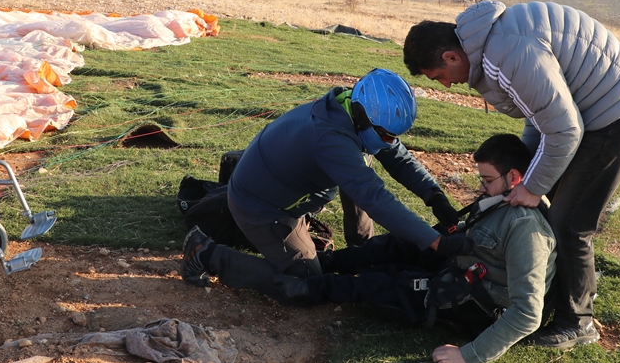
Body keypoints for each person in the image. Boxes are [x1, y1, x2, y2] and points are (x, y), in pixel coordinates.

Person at [403, 0, 620, 351]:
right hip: (594, 115)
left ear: (451, 56)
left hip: (616, 117)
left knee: (569, 220)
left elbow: (564, 128)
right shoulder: (492, 45)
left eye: (438, 77)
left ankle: (577, 322)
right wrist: (522, 170)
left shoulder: (504, 54)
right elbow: (540, 115)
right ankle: (554, 292)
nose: (445, 85)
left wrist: (532, 187)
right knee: (556, 203)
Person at [180, 68, 460, 301]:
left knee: (362, 164)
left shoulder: (350, 109)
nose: (390, 142)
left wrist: (434, 195)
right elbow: (376, 199)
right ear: (364, 117)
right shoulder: (331, 139)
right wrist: (434, 241)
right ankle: (206, 254)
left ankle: (362, 249)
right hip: (261, 208)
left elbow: (398, 158)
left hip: (278, 190)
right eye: (386, 135)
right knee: (306, 282)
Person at [294, 133, 556, 363]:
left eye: (486, 180)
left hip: (475, 299)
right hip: (463, 264)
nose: (481, 188)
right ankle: (322, 263)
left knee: (390, 283)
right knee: (400, 243)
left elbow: (527, 312)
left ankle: (306, 289)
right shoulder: (502, 199)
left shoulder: (526, 229)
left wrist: (469, 354)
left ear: (514, 177)